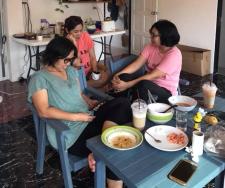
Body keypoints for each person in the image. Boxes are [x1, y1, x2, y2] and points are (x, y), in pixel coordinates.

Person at [28, 37, 132, 188]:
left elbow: (77, 95)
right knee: (114, 148)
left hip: (87, 117)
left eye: (71, 59)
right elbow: (43, 111)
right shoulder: (39, 78)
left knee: (123, 103)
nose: (69, 63)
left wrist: (88, 102)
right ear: (54, 56)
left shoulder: (70, 70)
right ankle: (105, 155)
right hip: (70, 131)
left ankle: (102, 148)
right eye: (66, 59)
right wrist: (77, 116)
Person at [112, 20, 182, 103]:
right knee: (123, 76)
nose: (151, 37)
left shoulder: (174, 55)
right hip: (148, 83)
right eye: (151, 34)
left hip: (166, 92)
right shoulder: (151, 47)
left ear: (164, 36)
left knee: (143, 84)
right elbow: (136, 64)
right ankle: (119, 103)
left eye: (154, 35)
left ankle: (135, 111)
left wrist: (127, 85)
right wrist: (118, 74)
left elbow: (152, 76)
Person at [64, 16, 109, 89]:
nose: (79, 34)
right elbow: (78, 63)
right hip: (76, 74)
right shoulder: (64, 43)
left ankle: (82, 86)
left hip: (88, 71)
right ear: (67, 30)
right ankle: (83, 86)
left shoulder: (85, 36)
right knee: (100, 82)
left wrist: (95, 73)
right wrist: (74, 44)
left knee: (104, 76)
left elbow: (92, 57)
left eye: (81, 30)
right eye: (75, 32)